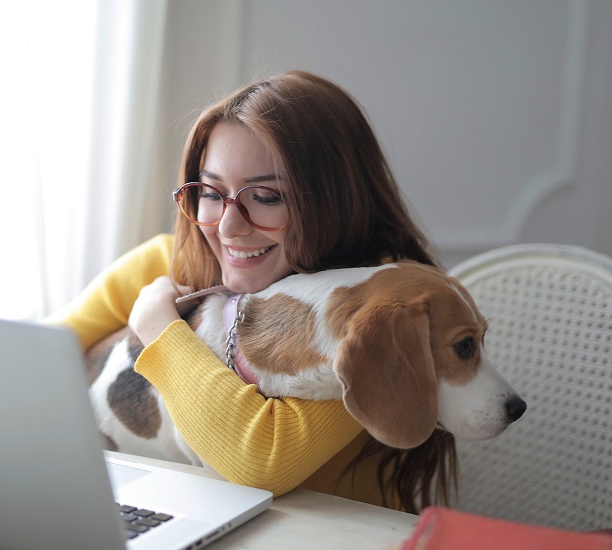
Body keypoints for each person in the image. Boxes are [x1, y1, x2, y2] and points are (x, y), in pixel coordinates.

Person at [46, 70, 454, 513]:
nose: (228, 227)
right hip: (199, 528)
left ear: (337, 201)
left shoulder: (371, 312)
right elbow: (26, 360)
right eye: (212, 191)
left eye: (265, 196)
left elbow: (261, 464)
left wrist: (160, 331)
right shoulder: (165, 264)